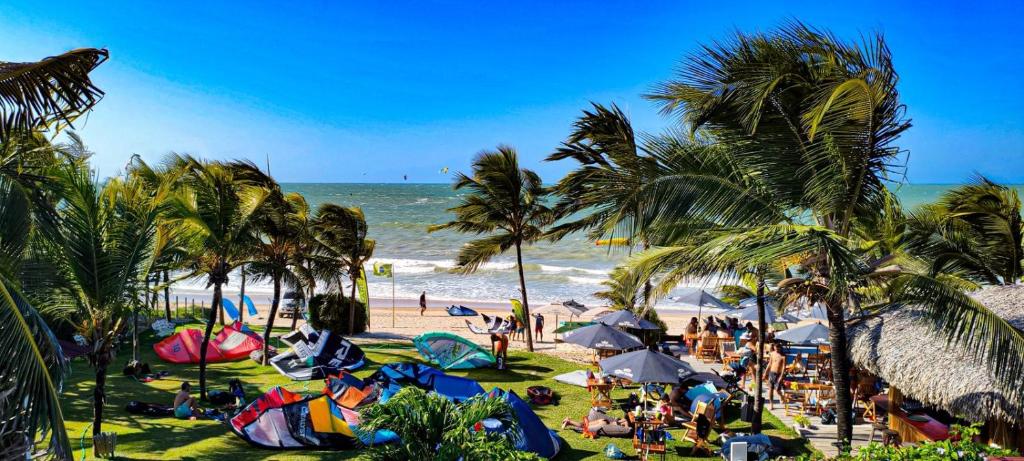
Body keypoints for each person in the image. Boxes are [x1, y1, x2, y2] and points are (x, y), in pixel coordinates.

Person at [763, 343, 787, 410]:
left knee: (777, 390)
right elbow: (770, 364)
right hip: (771, 373)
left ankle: (782, 397)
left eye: (777, 348)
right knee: (770, 389)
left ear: (780, 348)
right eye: (775, 348)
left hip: (778, 374)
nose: (776, 349)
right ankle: (771, 404)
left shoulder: (783, 356)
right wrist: (765, 373)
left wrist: (781, 376)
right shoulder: (772, 354)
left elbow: (783, 367)